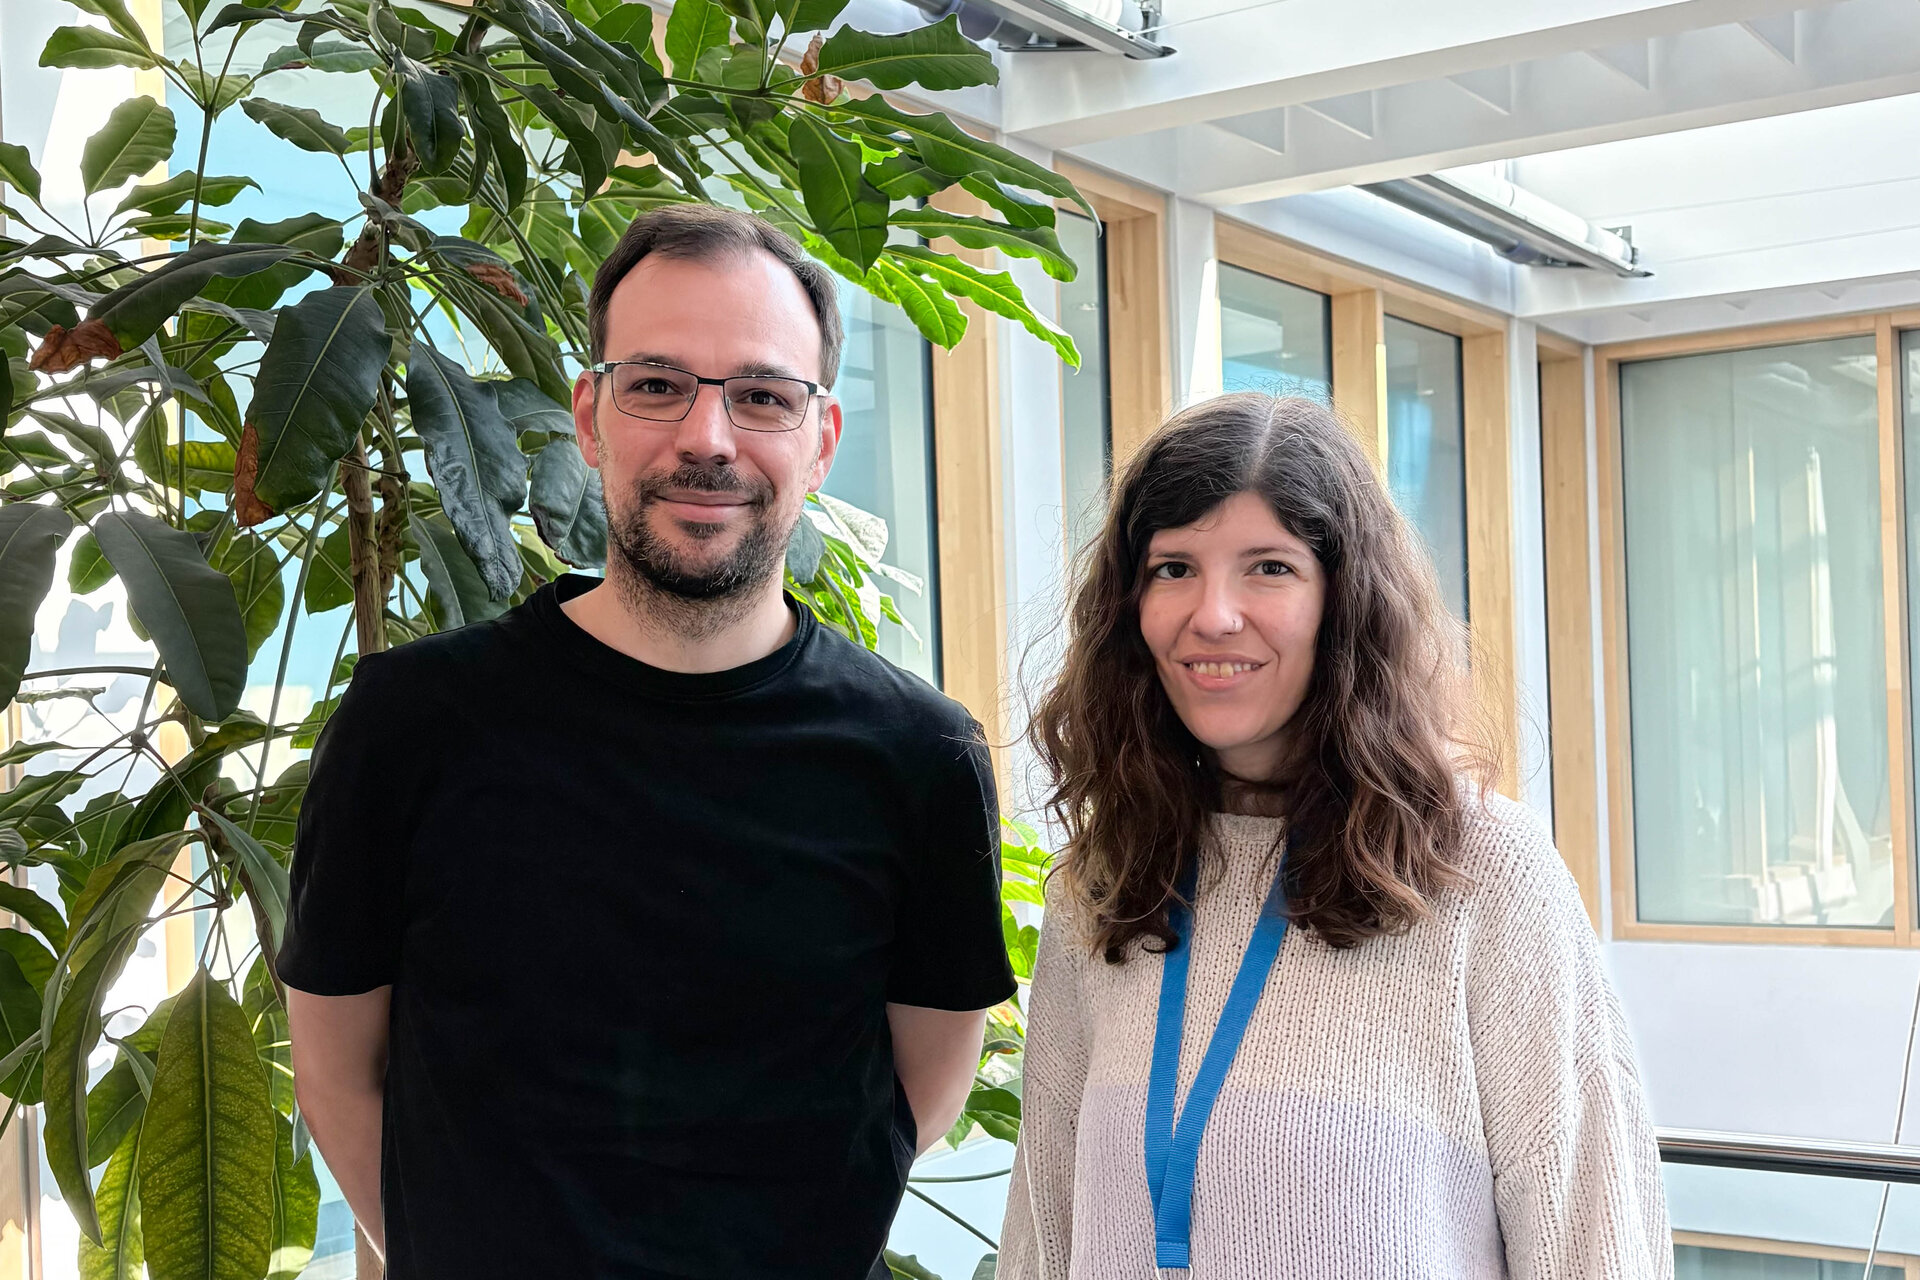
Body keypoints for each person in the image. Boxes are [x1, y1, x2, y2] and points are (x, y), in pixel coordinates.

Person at [280, 205, 1014, 1280]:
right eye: (658, 384)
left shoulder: (920, 755)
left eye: (762, 396)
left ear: (821, 439)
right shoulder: (412, 720)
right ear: (591, 417)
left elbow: (925, 1089)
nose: (707, 439)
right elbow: (337, 1071)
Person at [1000, 393, 1671, 1278]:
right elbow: (1041, 1239)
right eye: (1174, 568)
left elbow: (1593, 1242)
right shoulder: (1104, 880)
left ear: (1345, 602)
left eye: (1269, 567)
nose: (1214, 614)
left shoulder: (1483, 873)